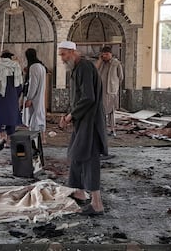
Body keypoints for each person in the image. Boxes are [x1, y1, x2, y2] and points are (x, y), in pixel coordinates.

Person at [58, 40, 108, 216]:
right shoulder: (77, 68)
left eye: (63, 54)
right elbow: (77, 97)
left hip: (90, 121)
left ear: (72, 52)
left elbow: (88, 98)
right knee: (76, 153)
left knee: (89, 158)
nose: (62, 59)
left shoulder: (85, 67)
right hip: (82, 120)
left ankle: (97, 203)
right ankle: (78, 191)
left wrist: (71, 116)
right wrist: (68, 114)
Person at [0, 51, 23, 150]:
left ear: (1, 57)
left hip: (1, 96)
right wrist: (18, 95)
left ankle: (2, 136)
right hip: (12, 95)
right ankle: (9, 141)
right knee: (11, 117)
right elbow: (19, 83)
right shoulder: (16, 66)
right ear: (11, 57)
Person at [95, 46, 124, 137]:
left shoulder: (116, 63)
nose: (105, 56)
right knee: (101, 110)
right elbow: (95, 71)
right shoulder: (101, 63)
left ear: (111, 54)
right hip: (101, 90)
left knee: (111, 111)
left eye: (107, 54)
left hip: (111, 91)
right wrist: (100, 60)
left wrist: (114, 84)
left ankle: (112, 129)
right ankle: (102, 129)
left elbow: (121, 77)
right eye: (103, 54)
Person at [22, 48, 47, 144]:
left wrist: (29, 98)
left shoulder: (34, 67)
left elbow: (33, 84)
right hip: (40, 95)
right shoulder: (41, 66)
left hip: (34, 97)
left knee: (34, 120)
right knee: (40, 116)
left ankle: (34, 142)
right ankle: (43, 139)